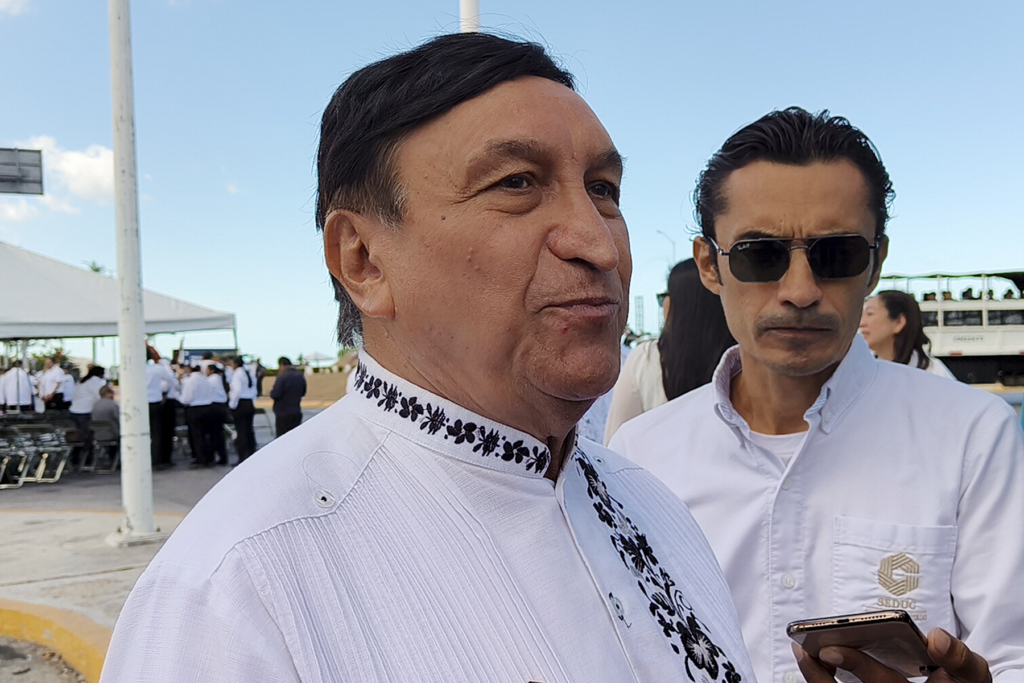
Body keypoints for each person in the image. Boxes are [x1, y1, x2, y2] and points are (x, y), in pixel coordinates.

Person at [100, 33, 755, 683]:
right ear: (362, 259)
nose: (597, 244)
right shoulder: (238, 591)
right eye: (517, 182)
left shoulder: (653, 505)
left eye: (603, 188)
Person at [610, 108, 1024, 683]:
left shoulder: (972, 437)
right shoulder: (641, 457)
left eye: (836, 255)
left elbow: (1011, 655)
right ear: (710, 265)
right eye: (761, 254)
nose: (800, 291)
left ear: (876, 262)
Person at [604, 259, 735, 442]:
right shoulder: (740, 360)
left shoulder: (646, 358)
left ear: (679, 302)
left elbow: (615, 439)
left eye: (665, 295)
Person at [859, 291, 955, 379]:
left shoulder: (933, 374)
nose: (861, 323)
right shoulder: (862, 371)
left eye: (870, 314)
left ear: (899, 322)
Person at [146, 348, 178, 470]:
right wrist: (162, 391)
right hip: (155, 402)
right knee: (156, 433)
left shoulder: (135, 369)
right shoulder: (157, 369)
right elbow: (169, 381)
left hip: (140, 403)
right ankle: (156, 459)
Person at [178, 364, 215, 468]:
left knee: (196, 436)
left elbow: (186, 399)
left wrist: (178, 397)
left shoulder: (190, 381)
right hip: (207, 407)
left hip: (194, 409)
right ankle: (209, 457)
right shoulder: (206, 380)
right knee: (206, 434)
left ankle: (200, 458)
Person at [227, 355, 257, 463]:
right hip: (248, 402)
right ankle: (251, 452)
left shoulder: (237, 375)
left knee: (241, 431)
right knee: (249, 430)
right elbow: (254, 390)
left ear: (235, 364)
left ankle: (242, 456)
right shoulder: (247, 372)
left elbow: (237, 391)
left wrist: (232, 405)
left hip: (241, 404)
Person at [269, 356, 305, 437]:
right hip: (296, 411)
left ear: (282, 365)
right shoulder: (300, 376)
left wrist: (271, 392)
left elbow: (276, 394)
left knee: (283, 438)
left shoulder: (282, 376)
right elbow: (303, 392)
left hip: (283, 412)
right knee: (295, 437)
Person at [205, 364, 230, 465]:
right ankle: (222, 456)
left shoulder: (211, 379)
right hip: (221, 407)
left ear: (210, 370)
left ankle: (214, 457)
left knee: (214, 434)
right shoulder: (219, 378)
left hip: (214, 407)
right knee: (219, 433)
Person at [90, 385, 120, 462]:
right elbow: (119, 419)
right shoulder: (113, 405)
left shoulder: (95, 405)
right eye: (112, 392)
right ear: (107, 393)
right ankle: (117, 460)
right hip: (111, 434)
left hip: (97, 434)